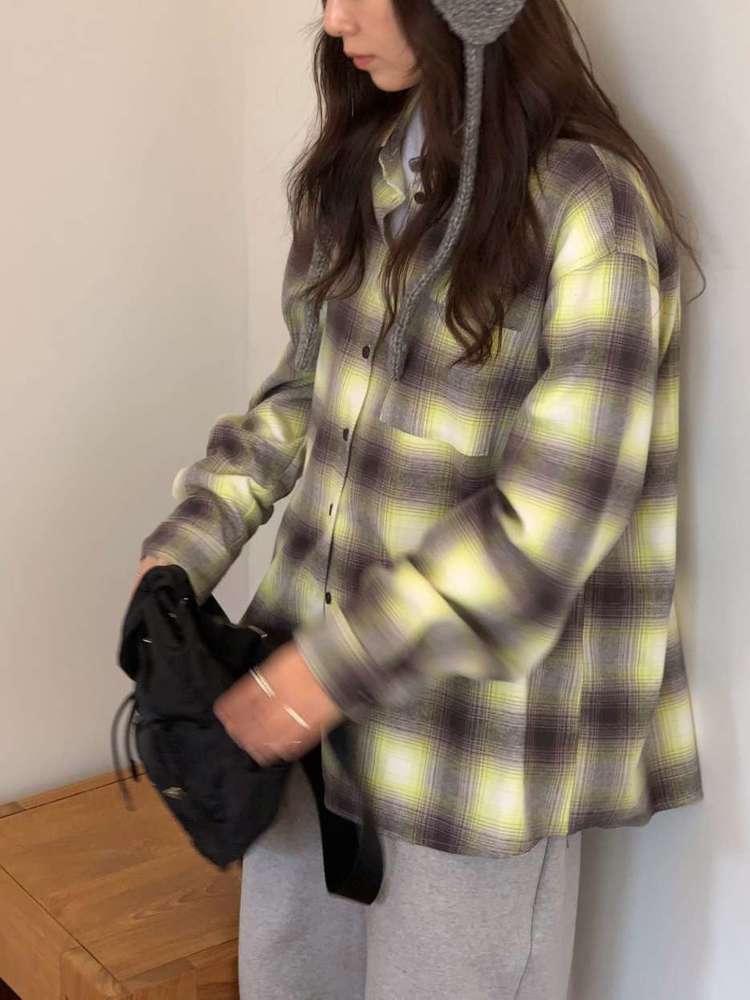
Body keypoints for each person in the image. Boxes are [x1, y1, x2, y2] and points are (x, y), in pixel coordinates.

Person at [134, 1, 705, 997]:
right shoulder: (363, 168)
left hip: (469, 753)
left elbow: (549, 525)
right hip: (304, 728)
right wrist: (185, 546)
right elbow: (302, 396)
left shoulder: (591, 211)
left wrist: (318, 676)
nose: (333, 18)